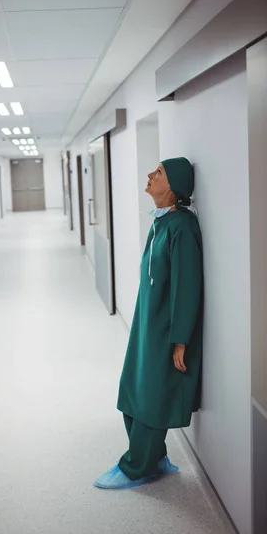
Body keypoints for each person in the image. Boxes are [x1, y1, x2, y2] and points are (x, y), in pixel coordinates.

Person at [94, 157, 203, 489]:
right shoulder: (161, 221)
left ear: (173, 186)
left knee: (154, 395)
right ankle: (154, 459)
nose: (150, 176)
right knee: (132, 388)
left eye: (158, 173)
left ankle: (137, 467)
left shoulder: (182, 226)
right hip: (147, 325)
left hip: (166, 330)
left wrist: (180, 339)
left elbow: (187, 286)